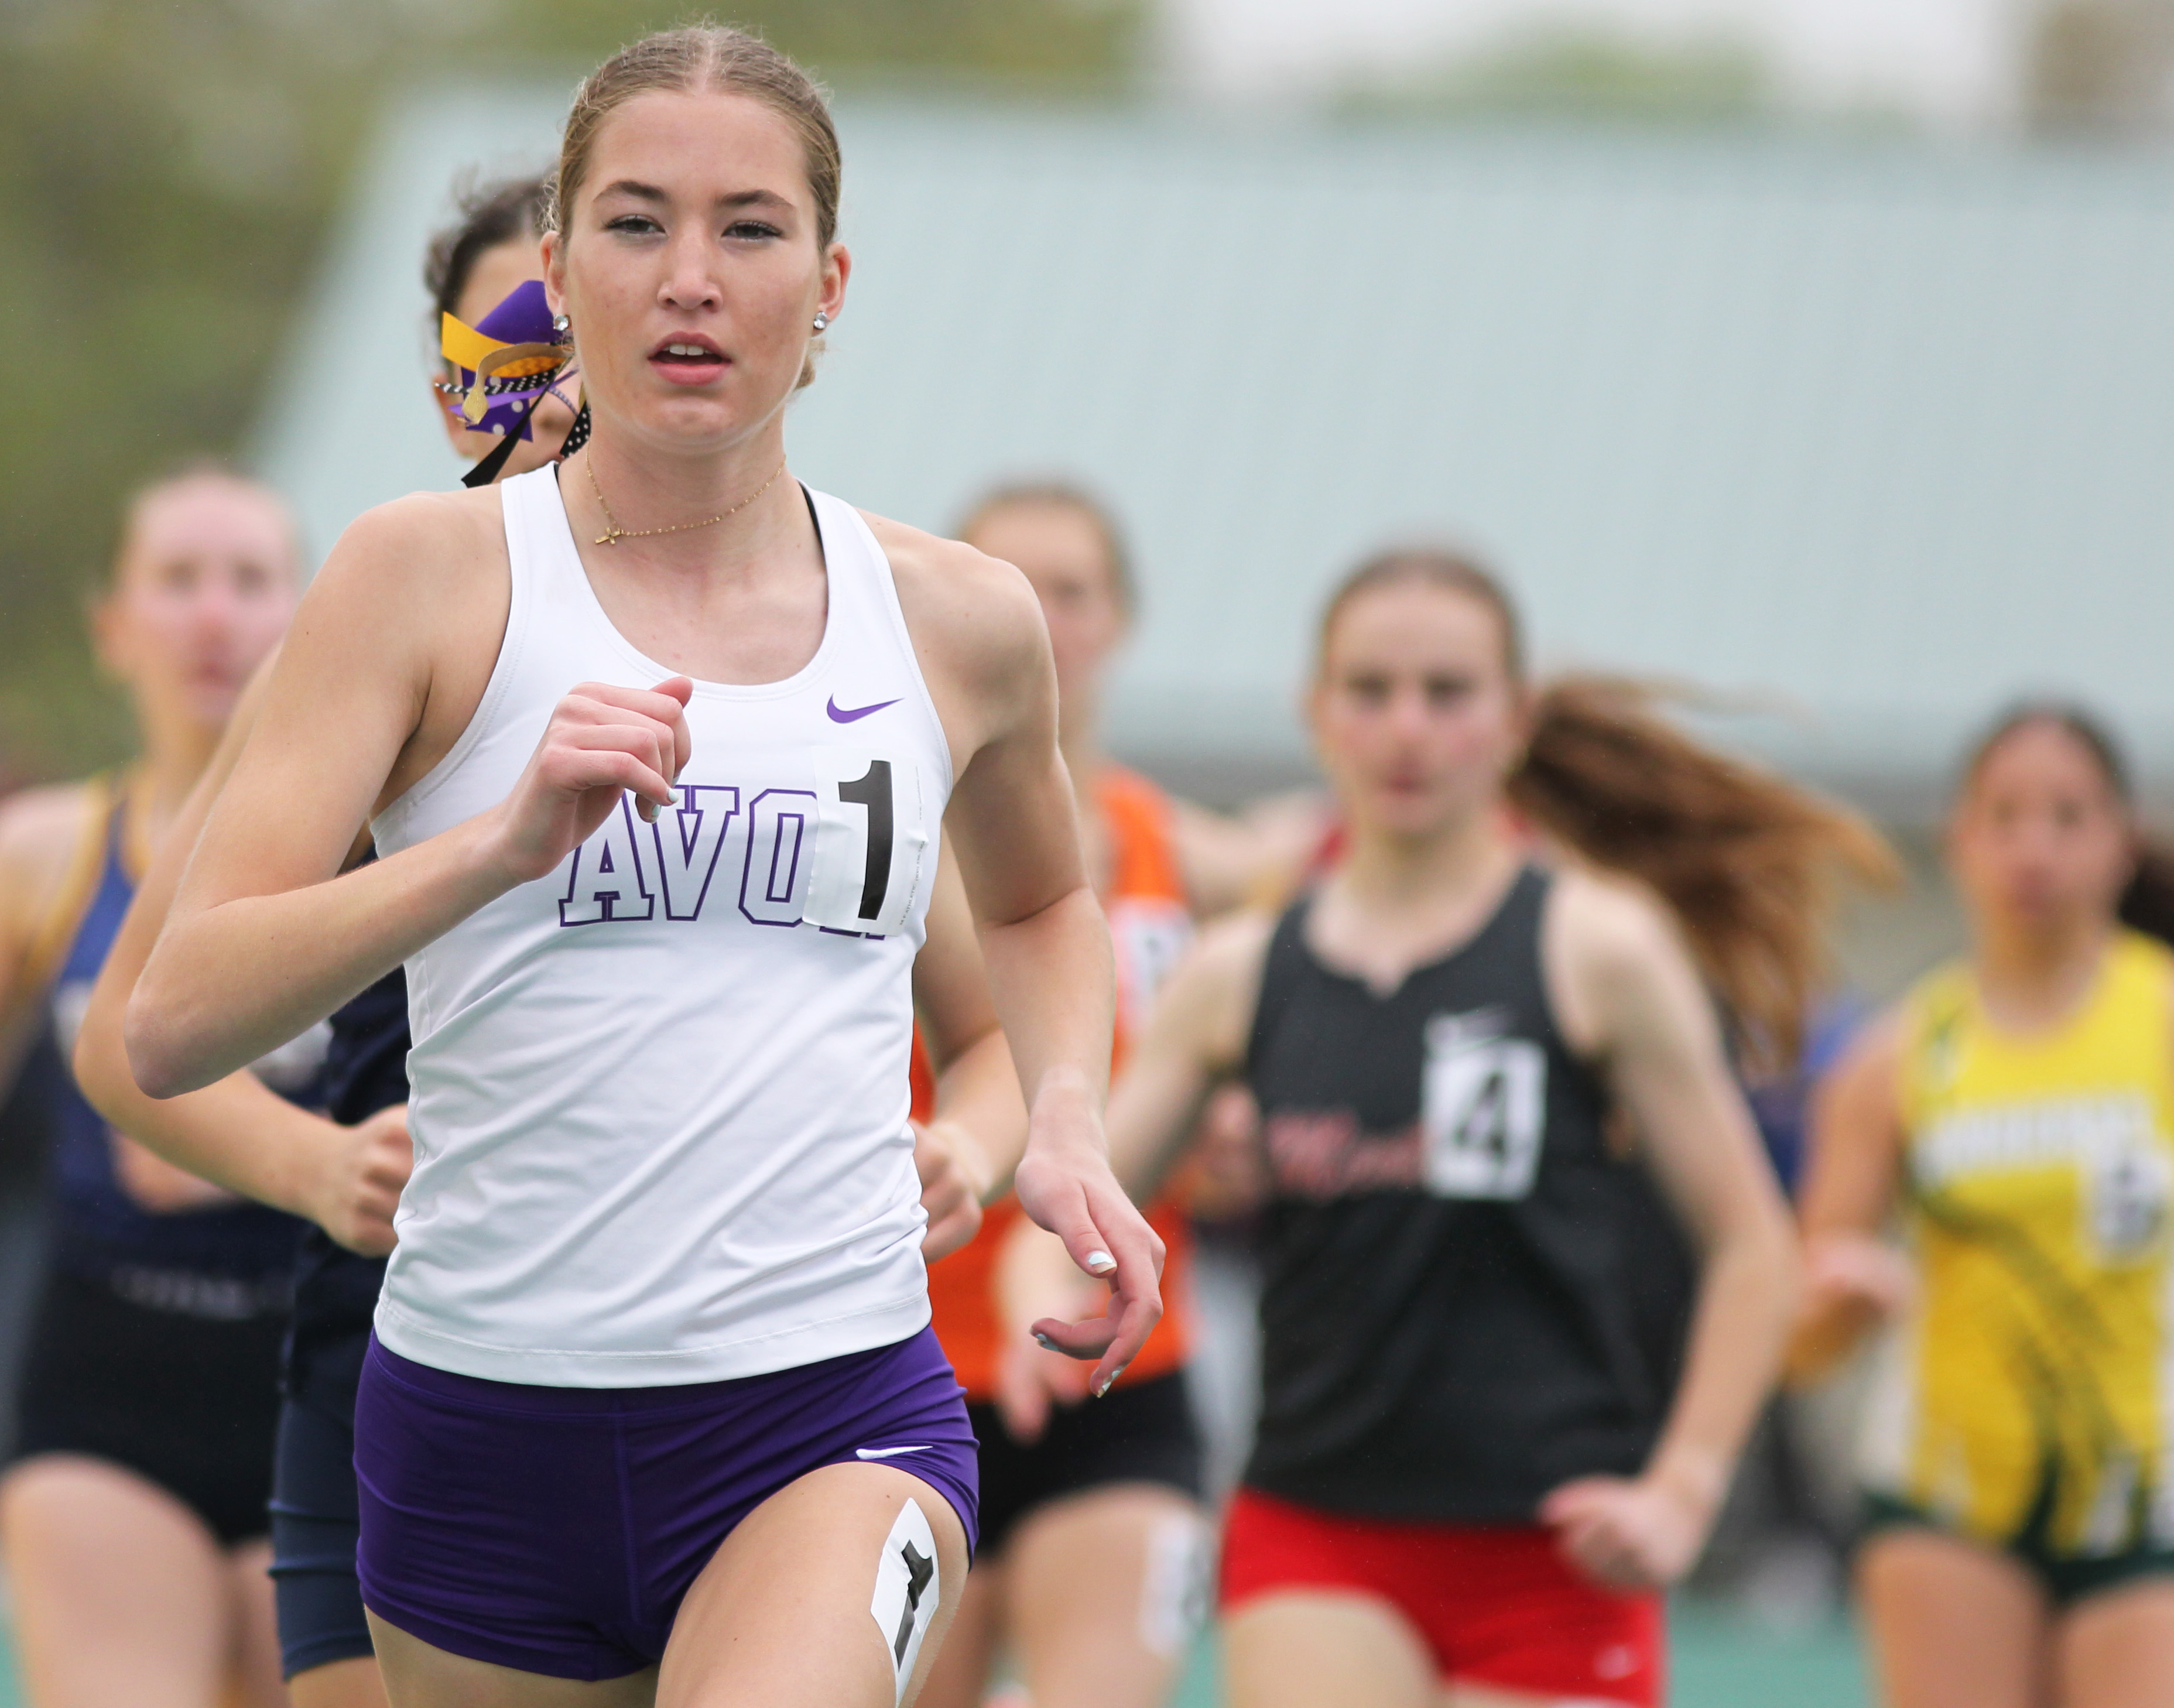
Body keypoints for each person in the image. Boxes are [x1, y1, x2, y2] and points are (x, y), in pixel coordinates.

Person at [125, 25, 1159, 1708]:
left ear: (828, 283)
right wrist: (495, 845)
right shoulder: (419, 578)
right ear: (556, 268)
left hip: (830, 1406)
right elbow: (172, 1017)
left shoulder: (960, 617)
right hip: (479, 1427)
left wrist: (1057, 1123)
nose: (693, 278)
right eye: (635, 223)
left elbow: (1043, 899)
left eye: (749, 229)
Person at [1096, 548, 1892, 1708]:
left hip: (1556, 1544)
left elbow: (1751, 1244)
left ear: (1515, 719)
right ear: (1316, 714)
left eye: (1448, 692)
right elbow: (1080, 1197)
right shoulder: (1239, 976)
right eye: (1370, 691)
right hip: (1318, 1528)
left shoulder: (1597, 952)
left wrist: (1684, 1485)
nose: (1408, 728)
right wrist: (1032, 1266)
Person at [918, 484, 1256, 1708]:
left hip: (1123, 1370)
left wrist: (1244, 1118)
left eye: (1072, 589)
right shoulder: (888, 833)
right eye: (1010, 582)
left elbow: (1338, 887)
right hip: (910, 1368)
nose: (1042, 617)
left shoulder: (1178, 845)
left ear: (1118, 619)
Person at [1793, 704, 2174, 1708]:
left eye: (2065, 817)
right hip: (1948, 1491)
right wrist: (1840, 1295)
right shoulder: (1899, 1056)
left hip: (2143, 1489)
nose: (2031, 850)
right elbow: (1797, 1333)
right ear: (1957, 839)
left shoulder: (2162, 1021)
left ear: (2121, 841)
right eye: (2001, 817)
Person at [0, 467, 302, 1708]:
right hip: (108, 1387)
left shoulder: (389, 859)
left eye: (249, 580)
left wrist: (241, 1135)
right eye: (177, 581)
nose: (214, 618)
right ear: (114, 625)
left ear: (310, 618)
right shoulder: (42, 855)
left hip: (324, 1393)